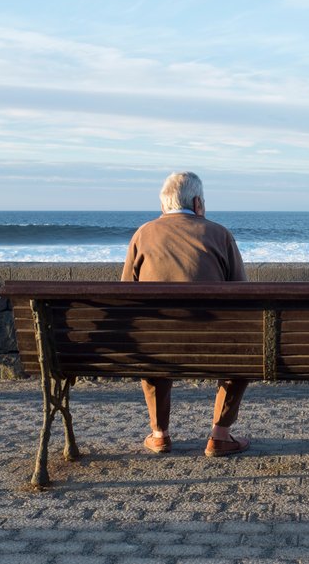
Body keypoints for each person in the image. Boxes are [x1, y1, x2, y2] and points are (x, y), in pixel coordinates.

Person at [122, 171, 251, 457]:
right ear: (197, 203)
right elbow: (243, 293)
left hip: (157, 347)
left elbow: (124, 293)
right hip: (213, 346)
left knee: (152, 337)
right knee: (244, 351)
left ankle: (159, 434)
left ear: (164, 205)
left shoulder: (143, 234)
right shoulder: (219, 234)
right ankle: (220, 435)